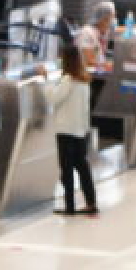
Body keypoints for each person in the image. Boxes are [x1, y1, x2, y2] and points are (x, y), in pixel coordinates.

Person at [49, 46, 97, 218]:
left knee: (66, 169)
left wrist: (47, 80)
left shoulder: (68, 80)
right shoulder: (84, 80)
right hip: (79, 130)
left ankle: (69, 205)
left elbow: (53, 99)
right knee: (82, 167)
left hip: (65, 130)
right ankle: (91, 202)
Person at [74, 2, 116, 79]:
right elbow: (89, 62)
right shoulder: (87, 33)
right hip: (88, 76)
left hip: (99, 73)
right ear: (104, 19)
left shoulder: (101, 32)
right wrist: (109, 65)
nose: (113, 21)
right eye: (112, 18)